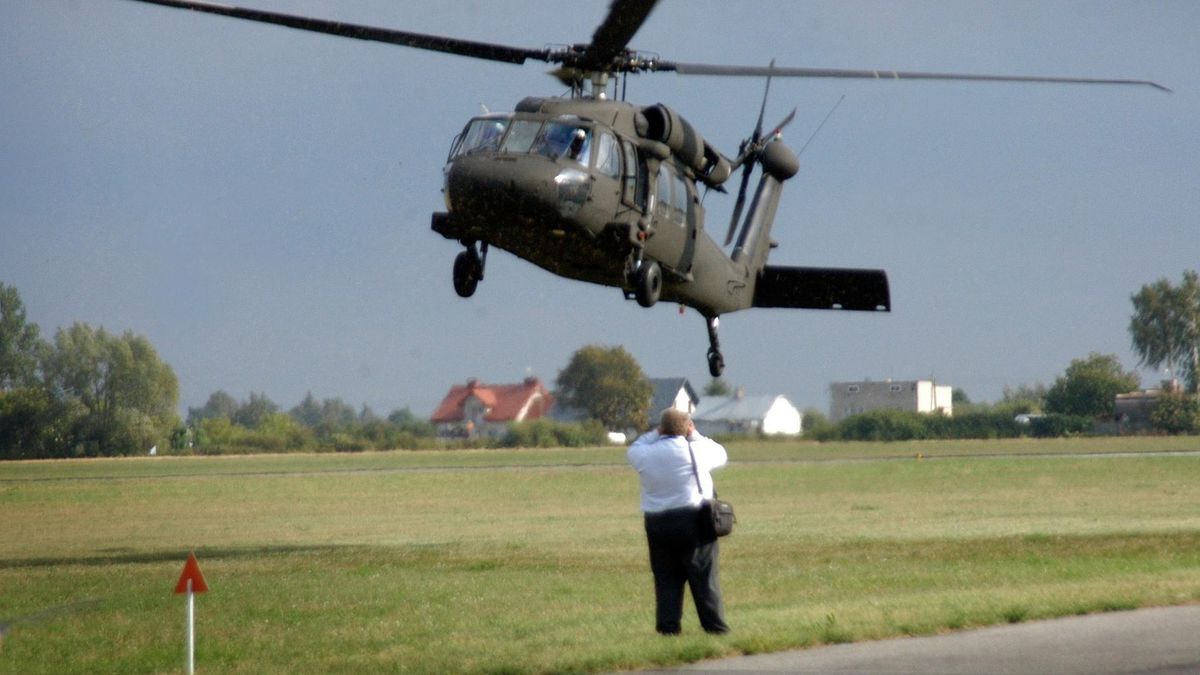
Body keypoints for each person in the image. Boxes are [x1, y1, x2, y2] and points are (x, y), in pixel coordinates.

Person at [626, 408, 730, 635]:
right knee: (703, 577)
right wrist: (695, 434)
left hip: (656, 522)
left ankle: (668, 629)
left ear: (661, 428)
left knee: (666, 579)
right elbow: (721, 453)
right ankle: (715, 627)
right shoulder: (696, 449)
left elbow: (635, 447)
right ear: (687, 426)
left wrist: (656, 433)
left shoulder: (645, 454)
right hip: (693, 519)